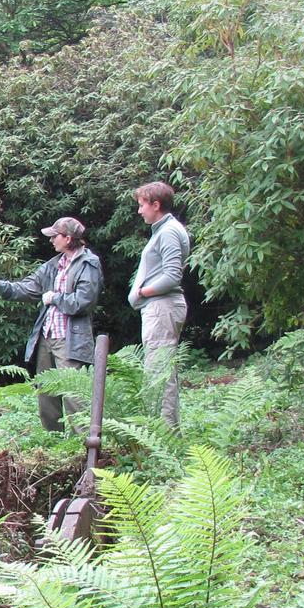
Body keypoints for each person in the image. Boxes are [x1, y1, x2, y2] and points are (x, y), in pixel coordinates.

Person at [0, 216, 102, 432]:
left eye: (54, 236)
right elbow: (27, 289)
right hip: (46, 337)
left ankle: (85, 449)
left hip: (71, 340)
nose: (51, 240)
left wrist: (55, 298)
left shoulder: (89, 264)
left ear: (68, 238)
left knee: (74, 396)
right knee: (46, 395)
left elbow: (84, 302)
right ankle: (53, 446)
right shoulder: (53, 265)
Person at [128, 180, 192, 427]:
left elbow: (172, 275)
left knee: (159, 372)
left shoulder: (168, 232)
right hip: (160, 307)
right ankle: (165, 430)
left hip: (163, 307)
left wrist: (143, 291)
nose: (139, 211)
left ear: (156, 205)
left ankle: (163, 432)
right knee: (161, 370)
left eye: (142, 205)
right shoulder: (165, 230)